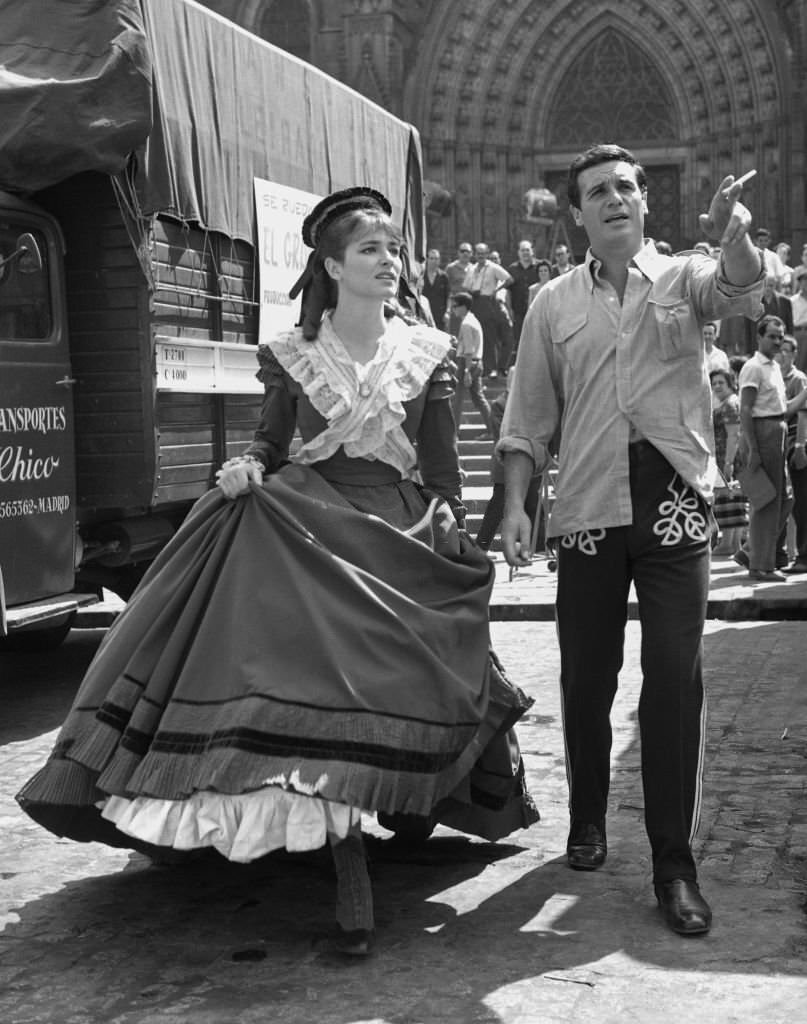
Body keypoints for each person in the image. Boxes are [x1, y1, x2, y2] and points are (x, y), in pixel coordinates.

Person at [16, 187, 538, 957]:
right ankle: (339, 868)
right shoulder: (292, 356)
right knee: (309, 683)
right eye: (370, 251)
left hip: (396, 530)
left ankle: (406, 808)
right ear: (331, 265)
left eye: (392, 250)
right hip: (307, 528)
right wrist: (246, 467)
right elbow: (269, 442)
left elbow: (438, 474)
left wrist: (450, 514)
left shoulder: (428, 353)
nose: (388, 262)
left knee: (408, 678)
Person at [499, 143, 765, 937]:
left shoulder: (685, 278)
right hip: (584, 501)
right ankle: (586, 817)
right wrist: (516, 506)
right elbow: (526, 419)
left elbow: (741, 288)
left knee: (674, 678)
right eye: (596, 192)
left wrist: (732, 232)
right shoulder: (550, 304)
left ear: (646, 203)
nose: (613, 198)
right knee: (586, 674)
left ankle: (673, 866)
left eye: (625, 187)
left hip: (673, 502)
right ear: (575, 214)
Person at [735, 315, 807, 580]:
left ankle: (753, 553)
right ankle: (760, 565)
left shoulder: (774, 368)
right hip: (762, 431)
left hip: (778, 428)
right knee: (767, 501)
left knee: (784, 499)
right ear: (759, 337)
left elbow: (785, 409)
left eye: (780, 336)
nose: (777, 341)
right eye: (772, 336)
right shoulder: (753, 367)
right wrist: (752, 448)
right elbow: (745, 409)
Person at [476, 369, 542, 555]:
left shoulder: (529, 403)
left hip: (530, 462)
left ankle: (542, 547)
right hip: (505, 463)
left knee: (535, 505)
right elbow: (501, 436)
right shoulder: (499, 404)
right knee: (497, 506)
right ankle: (481, 546)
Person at [710, 367, 747, 557]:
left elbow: (734, 434)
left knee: (730, 496)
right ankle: (732, 543)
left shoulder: (730, 404)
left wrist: (728, 462)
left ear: (730, 383)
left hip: (729, 456)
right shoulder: (727, 402)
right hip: (726, 456)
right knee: (733, 497)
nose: (717, 386)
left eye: (721, 382)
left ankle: (729, 543)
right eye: (714, 383)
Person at [777, 335, 807, 571]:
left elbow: (803, 415)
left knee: (800, 502)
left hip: (795, 445)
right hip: (780, 445)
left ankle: (802, 555)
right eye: (781, 350)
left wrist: (800, 446)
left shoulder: (798, 380)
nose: (783, 354)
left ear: (794, 354)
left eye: (788, 350)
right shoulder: (776, 376)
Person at [463, 242, 514, 377]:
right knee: (483, 336)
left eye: (483, 253)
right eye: (478, 253)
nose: (480, 256)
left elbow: (509, 279)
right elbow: (466, 286)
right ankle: (486, 368)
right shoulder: (472, 269)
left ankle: (495, 368)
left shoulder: (493, 267)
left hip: (488, 302)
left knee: (491, 336)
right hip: (475, 302)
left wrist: (495, 290)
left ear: (487, 254)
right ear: (475, 254)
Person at [450, 290, 494, 438]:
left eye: (455, 306)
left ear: (463, 307)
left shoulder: (467, 324)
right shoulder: (472, 320)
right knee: (478, 399)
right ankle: (492, 430)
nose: (453, 309)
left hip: (467, 363)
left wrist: (467, 371)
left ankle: (454, 432)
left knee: (457, 399)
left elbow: (469, 350)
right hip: (476, 361)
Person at [507, 240, 540, 345]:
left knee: (537, 340)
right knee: (519, 340)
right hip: (518, 312)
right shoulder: (512, 269)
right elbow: (508, 291)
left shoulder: (540, 267)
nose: (525, 252)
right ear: (518, 252)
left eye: (527, 250)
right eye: (522, 250)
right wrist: (509, 309)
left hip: (537, 310)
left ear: (532, 251)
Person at [419, 247, 450, 329]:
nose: (434, 261)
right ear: (427, 260)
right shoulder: (420, 275)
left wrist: (447, 312)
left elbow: (448, 296)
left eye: (436, 258)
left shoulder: (444, 276)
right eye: (431, 258)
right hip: (423, 314)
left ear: (439, 260)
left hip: (439, 314)